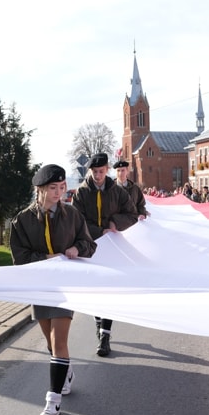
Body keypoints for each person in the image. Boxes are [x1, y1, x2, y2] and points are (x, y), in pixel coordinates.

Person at [10, 164, 97, 415]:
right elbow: (19, 257)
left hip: (64, 287)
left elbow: (89, 244)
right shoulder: (22, 220)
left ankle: (53, 399)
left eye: (62, 187)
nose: (59, 192)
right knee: (50, 342)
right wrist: (46, 257)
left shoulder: (72, 215)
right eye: (53, 188)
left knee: (59, 341)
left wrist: (77, 250)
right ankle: (66, 372)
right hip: (39, 287)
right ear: (40, 190)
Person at [72, 152, 138, 356]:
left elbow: (132, 214)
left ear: (107, 170)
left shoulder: (116, 191)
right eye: (95, 172)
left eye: (101, 171)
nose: (98, 175)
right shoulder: (81, 193)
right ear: (90, 171)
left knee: (109, 292)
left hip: (112, 250)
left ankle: (104, 337)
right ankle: (98, 325)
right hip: (89, 247)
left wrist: (114, 222)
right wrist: (99, 231)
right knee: (94, 292)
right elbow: (76, 221)